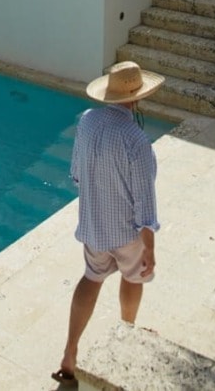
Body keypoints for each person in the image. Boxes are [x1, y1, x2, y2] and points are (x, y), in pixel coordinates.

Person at [52, 59, 164, 389]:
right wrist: (150, 246)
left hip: (93, 225)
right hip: (127, 231)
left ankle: (70, 354)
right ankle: (125, 336)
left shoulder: (87, 121)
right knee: (133, 277)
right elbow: (145, 202)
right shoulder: (136, 140)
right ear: (138, 97)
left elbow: (75, 173)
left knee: (91, 277)